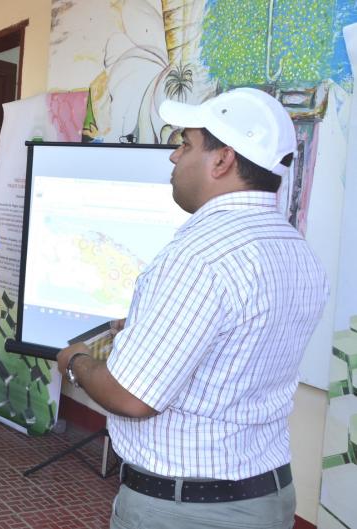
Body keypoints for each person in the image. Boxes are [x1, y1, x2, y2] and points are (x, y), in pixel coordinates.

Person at [56, 88, 329, 529]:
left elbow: (132, 396)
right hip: (269, 498)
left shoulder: (198, 256)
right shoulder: (297, 249)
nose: (173, 157)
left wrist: (76, 362)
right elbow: (238, 347)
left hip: (187, 509)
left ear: (222, 160)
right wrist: (149, 327)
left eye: (184, 143)